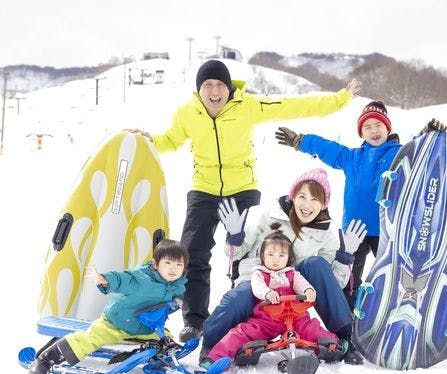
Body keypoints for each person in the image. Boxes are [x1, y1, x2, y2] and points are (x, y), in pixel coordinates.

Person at [140, 59, 360, 343]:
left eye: (221, 84)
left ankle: (246, 304)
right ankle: (194, 321)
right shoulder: (187, 113)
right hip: (203, 189)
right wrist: (148, 142)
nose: (215, 91)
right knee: (193, 252)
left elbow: (292, 105)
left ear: (229, 88)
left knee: (247, 253)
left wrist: (339, 100)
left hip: (242, 188)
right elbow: (170, 140)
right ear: (200, 90)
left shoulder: (247, 106)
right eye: (208, 85)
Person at [275, 101, 446, 308]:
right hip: (354, 232)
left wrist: (428, 135)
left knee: (393, 274)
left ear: (387, 128)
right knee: (349, 278)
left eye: (378, 125)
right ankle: (352, 315)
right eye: (368, 127)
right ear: (361, 133)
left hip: (387, 228)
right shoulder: (352, 157)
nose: (374, 131)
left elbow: (416, 150)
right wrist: (300, 141)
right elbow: (327, 148)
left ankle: (395, 308)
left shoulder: (399, 154)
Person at [202, 168, 367, 365]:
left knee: (315, 264)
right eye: (302, 197)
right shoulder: (271, 216)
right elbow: (236, 253)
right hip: (256, 279)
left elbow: (334, 282)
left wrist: (344, 256)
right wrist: (235, 237)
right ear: (293, 196)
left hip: (290, 289)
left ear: (323, 204)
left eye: (315, 199)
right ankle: (211, 344)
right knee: (239, 296)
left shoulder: (325, 236)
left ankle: (344, 338)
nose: (307, 205)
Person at [28, 239, 189, 374]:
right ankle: (45, 360)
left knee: (163, 336)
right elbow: (122, 278)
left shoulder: (177, 284)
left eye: (179, 265)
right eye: (168, 262)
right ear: (155, 264)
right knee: (90, 339)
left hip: (144, 327)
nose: (173, 269)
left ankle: (160, 355)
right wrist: (104, 280)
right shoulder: (141, 278)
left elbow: (175, 295)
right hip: (114, 323)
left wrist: (178, 300)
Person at [202, 223, 343, 367]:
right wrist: (267, 293)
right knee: (241, 332)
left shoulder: (293, 274)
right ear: (263, 255)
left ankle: (334, 345)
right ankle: (215, 358)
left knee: (313, 328)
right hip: (267, 320)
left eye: (281, 255)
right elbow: (257, 287)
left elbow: (302, 285)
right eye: (271, 254)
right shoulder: (259, 273)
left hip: (295, 318)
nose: (276, 259)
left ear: (288, 258)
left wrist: (308, 291)